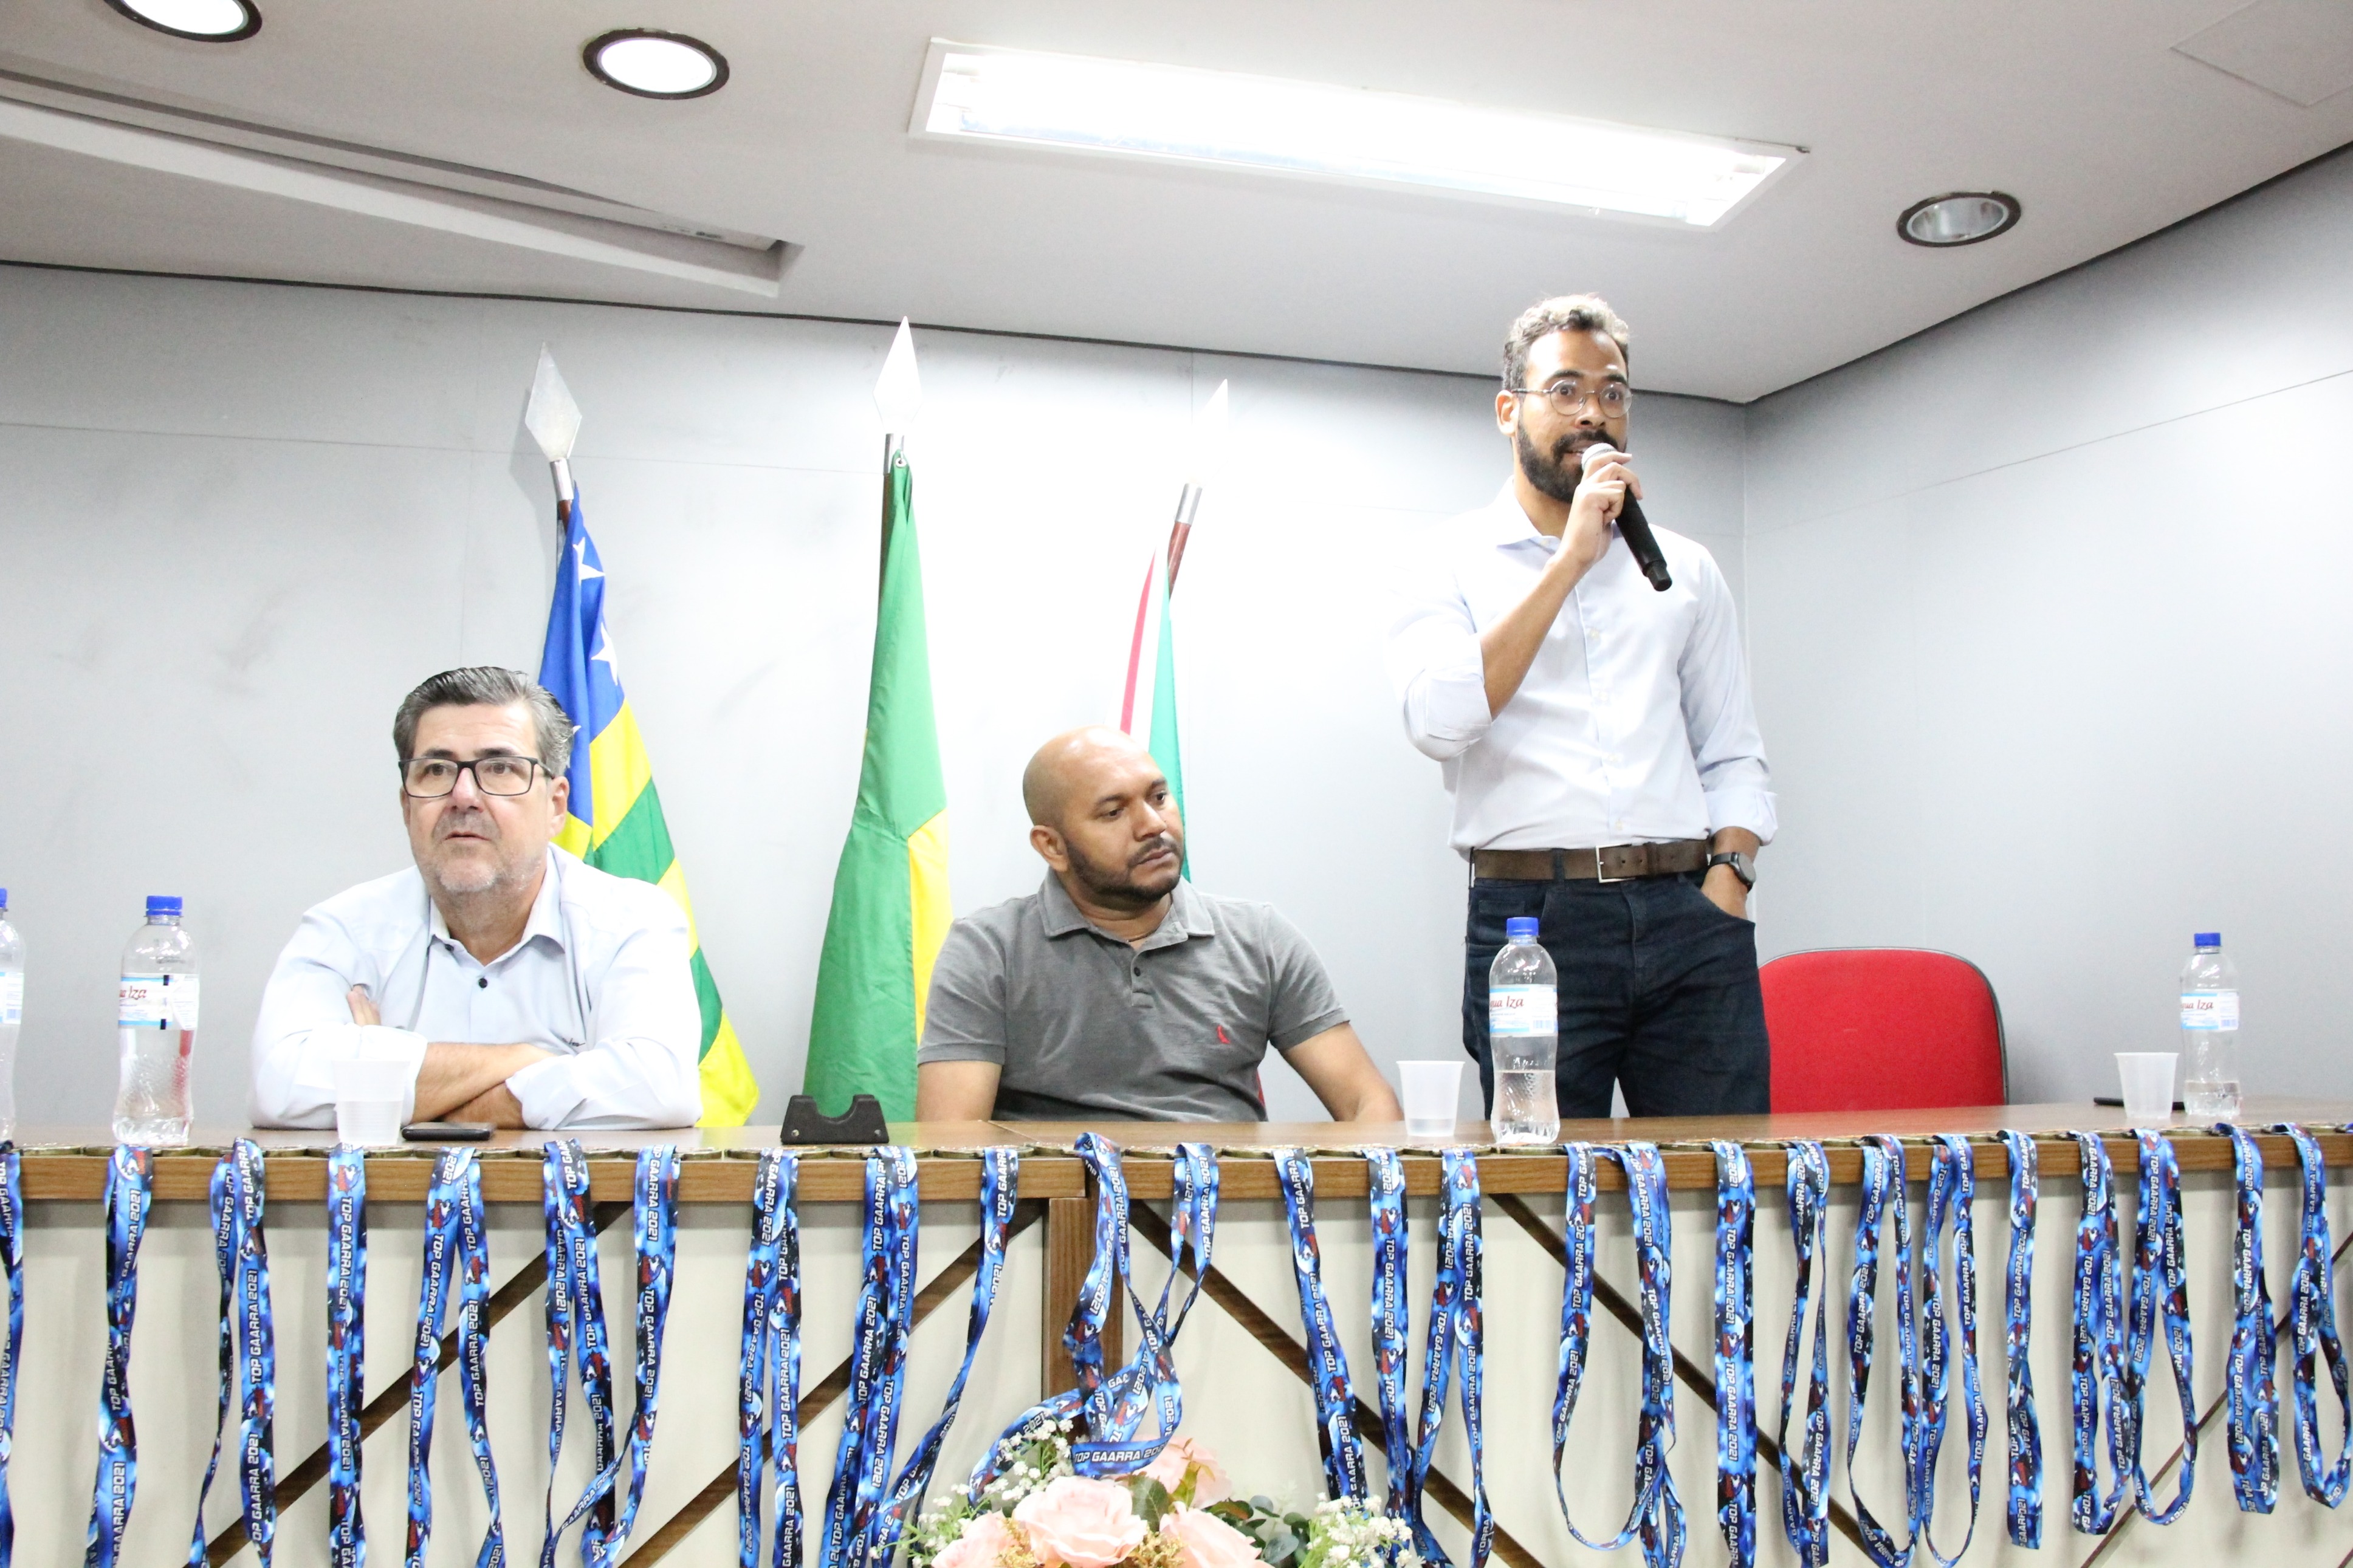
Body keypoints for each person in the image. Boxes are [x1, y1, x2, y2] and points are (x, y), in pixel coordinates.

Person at [1383, 295, 1776, 1119]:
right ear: (1508, 411)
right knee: (1544, 1176)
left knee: (1725, 1172)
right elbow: (1437, 722)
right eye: (1564, 390)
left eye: (1612, 392)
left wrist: (1729, 880)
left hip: (1690, 911)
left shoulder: (1686, 569)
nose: (1592, 413)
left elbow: (1732, 752)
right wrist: (1567, 563)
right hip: (1533, 925)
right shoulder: (1446, 559)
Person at [250, 667, 702, 1130]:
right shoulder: (346, 930)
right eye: (436, 770)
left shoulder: (631, 922)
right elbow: (278, 1083)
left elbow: (661, 1086)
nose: (463, 796)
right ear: (407, 806)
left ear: (555, 806)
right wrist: (528, 1060)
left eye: (500, 768)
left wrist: (393, 1084)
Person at [915, 727, 1402, 1123]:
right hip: (1060, 1209)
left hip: (1229, 1207)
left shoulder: (1260, 938)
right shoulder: (989, 950)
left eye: (1160, 797)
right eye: (1113, 812)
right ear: (1052, 846)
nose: (1153, 825)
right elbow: (953, 1141)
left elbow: (1367, 1103)